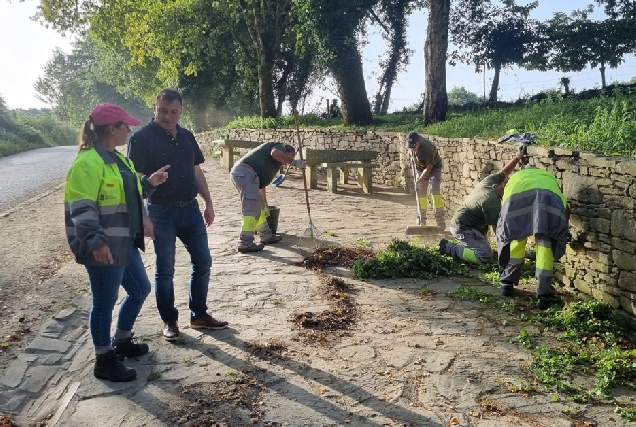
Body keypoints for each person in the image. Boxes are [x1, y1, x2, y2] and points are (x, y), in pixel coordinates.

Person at [64, 103, 169, 382]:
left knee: (140, 289)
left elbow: (130, 189)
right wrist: (97, 244)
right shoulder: (88, 163)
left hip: (124, 242)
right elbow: (82, 209)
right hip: (103, 246)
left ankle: (121, 340)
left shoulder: (119, 159)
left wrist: (150, 182)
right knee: (104, 302)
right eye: (126, 125)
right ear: (112, 128)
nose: (130, 129)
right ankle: (104, 360)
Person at [128, 89, 228, 342]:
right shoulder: (140, 139)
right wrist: (144, 217)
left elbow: (196, 171)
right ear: (154, 107)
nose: (168, 116)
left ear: (181, 111)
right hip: (160, 211)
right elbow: (133, 182)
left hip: (191, 209)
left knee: (203, 261)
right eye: (163, 110)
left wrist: (209, 203)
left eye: (173, 111)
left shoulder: (186, 136)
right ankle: (170, 321)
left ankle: (199, 314)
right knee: (165, 270)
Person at [496, 167, 570, 310]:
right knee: (544, 246)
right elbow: (565, 209)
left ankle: (507, 283)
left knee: (516, 238)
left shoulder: (514, 180)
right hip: (547, 200)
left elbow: (504, 216)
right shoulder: (550, 180)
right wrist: (563, 230)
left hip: (515, 199)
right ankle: (544, 295)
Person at [438, 147, 526, 264]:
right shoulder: (492, 203)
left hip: (472, 225)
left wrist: (518, 157)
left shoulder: (491, 181)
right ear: (503, 187)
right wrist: (506, 255)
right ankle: (449, 248)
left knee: (485, 248)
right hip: (463, 228)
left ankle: (468, 244)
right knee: (484, 256)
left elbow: (505, 171)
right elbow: (498, 232)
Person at [230, 142, 305, 253]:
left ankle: (265, 235)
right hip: (245, 172)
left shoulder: (272, 165)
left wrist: (264, 203)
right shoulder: (279, 147)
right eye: (290, 157)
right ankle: (245, 243)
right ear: (286, 153)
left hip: (249, 176)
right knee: (251, 210)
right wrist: (295, 163)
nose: (287, 163)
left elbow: (261, 185)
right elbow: (275, 153)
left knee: (260, 207)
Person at [406, 131, 445, 230]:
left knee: (435, 193)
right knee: (421, 194)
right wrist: (418, 180)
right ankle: (421, 220)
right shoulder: (411, 145)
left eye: (414, 146)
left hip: (434, 168)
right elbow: (413, 160)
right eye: (411, 146)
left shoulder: (427, 148)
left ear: (419, 141)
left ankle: (440, 222)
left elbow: (429, 167)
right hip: (420, 168)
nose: (412, 148)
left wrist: (419, 180)